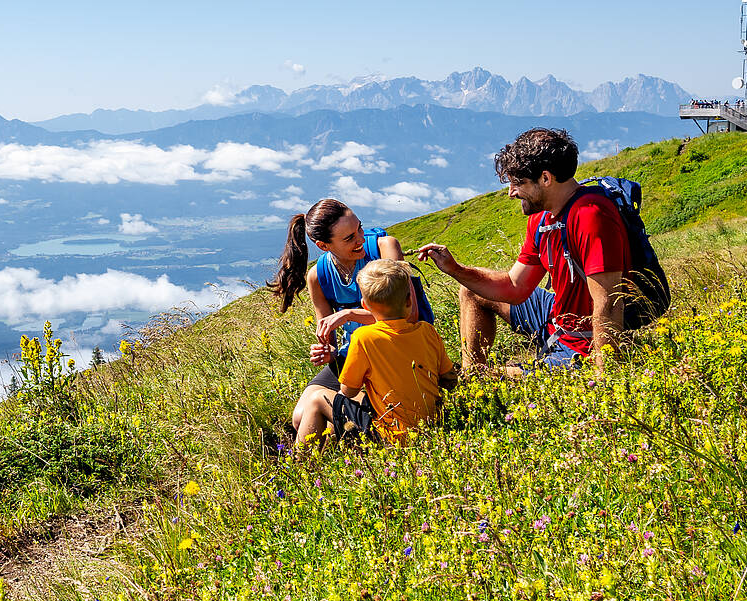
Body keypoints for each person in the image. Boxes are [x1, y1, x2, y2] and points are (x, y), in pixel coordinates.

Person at [415, 128, 634, 376]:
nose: (511, 192)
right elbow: (514, 287)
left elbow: (609, 302)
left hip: (583, 340)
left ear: (546, 178)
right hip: (556, 317)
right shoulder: (542, 218)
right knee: (471, 292)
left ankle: (479, 382)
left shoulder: (590, 216)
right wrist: (455, 270)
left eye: (518, 183)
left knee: (501, 376)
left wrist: (605, 380)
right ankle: (473, 375)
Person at [265, 197, 410, 450]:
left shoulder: (386, 248)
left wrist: (349, 314)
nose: (361, 239)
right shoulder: (318, 276)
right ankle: (341, 433)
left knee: (318, 409)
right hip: (352, 356)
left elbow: (406, 314)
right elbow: (328, 335)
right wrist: (326, 352)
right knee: (299, 419)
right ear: (323, 245)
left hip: (395, 350)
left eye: (360, 228)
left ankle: (339, 442)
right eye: (349, 238)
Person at [296, 259, 455, 449]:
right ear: (409, 300)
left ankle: (302, 466)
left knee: (316, 399)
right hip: (433, 426)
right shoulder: (428, 331)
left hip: (390, 434)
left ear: (364, 305)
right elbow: (449, 378)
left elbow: (348, 391)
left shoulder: (363, 338)